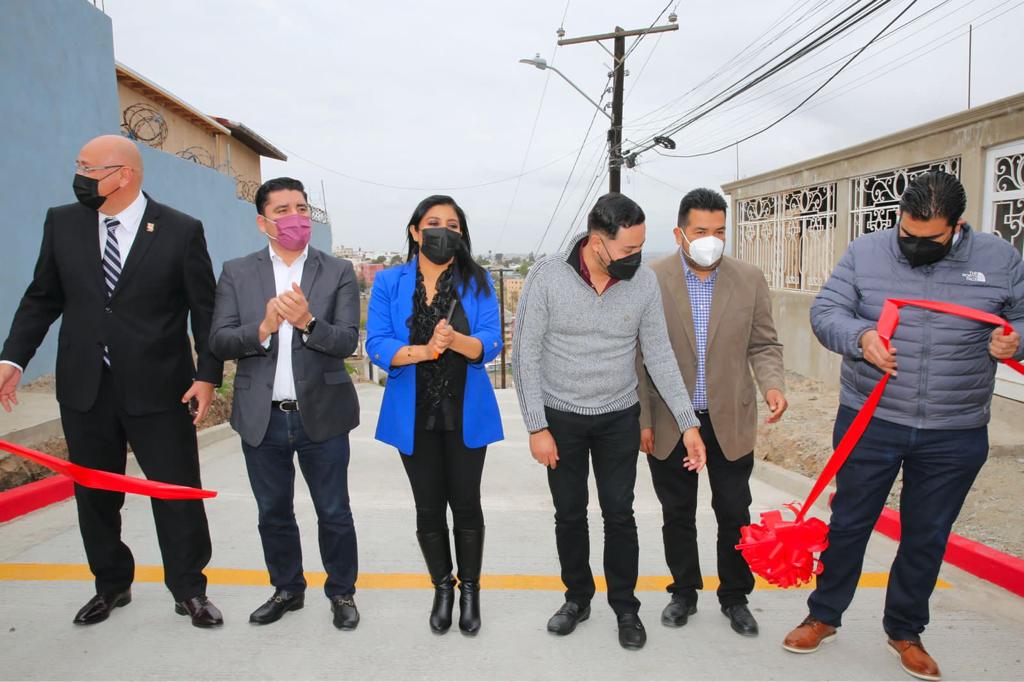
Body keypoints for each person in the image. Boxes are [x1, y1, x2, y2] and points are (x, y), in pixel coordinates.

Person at [785, 171, 1024, 681]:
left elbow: (1023, 318)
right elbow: (827, 311)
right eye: (907, 233)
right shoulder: (867, 252)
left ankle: (905, 630)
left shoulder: (1000, 260)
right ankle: (823, 616)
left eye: (929, 239)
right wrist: (861, 337)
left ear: (956, 226)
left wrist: (1015, 341)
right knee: (849, 522)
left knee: (927, 533)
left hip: (954, 428)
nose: (914, 245)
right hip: (871, 418)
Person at [0, 135, 224, 627]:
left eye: (89, 168)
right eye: (78, 165)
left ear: (125, 175)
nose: (79, 176)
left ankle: (189, 589)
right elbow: (42, 297)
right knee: (95, 494)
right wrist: (13, 359)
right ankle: (111, 585)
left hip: (161, 387)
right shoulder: (63, 222)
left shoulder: (180, 230)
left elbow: (204, 310)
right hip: (85, 385)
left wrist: (208, 376)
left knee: (175, 490)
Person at [511, 192, 706, 651]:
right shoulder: (547, 276)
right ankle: (576, 599)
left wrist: (688, 423)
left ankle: (625, 607)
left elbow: (659, 354)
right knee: (569, 513)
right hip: (560, 418)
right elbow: (525, 355)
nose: (637, 256)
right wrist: (537, 427)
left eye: (642, 246)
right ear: (597, 243)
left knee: (620, 513)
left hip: (618, 415)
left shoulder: (642, 282)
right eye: (628, 249)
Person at [209, 177, 361, 630]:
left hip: (324, 414)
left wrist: (308, 322)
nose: (295, 217)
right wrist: (263, 328)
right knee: (273, 512)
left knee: (333, 511)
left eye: (301, 208)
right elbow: (219, 340)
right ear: (263, 222)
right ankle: (287, 589)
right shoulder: (237, 272)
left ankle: (342, 592)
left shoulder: (337, 271)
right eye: (282, 210)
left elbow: (347, 341)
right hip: (263, 417)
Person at [637, 188, 787, 638]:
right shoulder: (651, 280)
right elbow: (638, 355)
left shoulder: (749, 279)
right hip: (670, 420)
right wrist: (644, 420)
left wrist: (773, 384)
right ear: (679, 233)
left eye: (720, 231)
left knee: (734, 511)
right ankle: (683, 592)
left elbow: (764, 343)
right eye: (701, 231)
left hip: (730, 419)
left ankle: (735, 596)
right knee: (677, 512)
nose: (712, 240)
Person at [366, 195, 503, 636]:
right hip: (413, 413)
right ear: (415, 231)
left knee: (466, 504)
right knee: (428, 506)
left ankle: (470, 591)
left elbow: (492, 341)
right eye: (433, 222)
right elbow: (376, 343)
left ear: (461, 235)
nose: (443, 231)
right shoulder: (389, 281)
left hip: (465, 411)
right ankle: (443, 587)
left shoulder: (478, 281)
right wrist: (423, 351)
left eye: (453, 225)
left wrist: (457, 341)